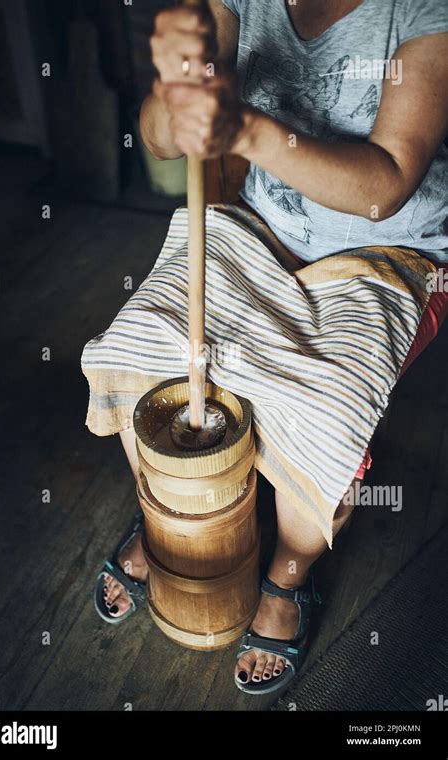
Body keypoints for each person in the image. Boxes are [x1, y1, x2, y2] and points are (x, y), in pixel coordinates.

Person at [83, 0, 448, 695]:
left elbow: (387, 185)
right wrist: (173, 89)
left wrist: (245, 129)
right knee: (139, 341)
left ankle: (287, 574)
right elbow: (163, 142)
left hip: (389, 251)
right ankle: (176, 516)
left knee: (324, 417)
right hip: (266, 226)